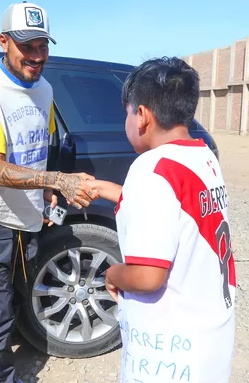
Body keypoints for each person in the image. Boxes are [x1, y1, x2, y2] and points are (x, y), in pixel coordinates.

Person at [0, 2, 98, 383]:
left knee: (16, 291)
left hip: (28, 212)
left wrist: (47, 192)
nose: (37, 56)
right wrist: (57, 181)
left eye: (42, 46)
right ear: (4, 42)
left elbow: (39, 143)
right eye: (27, 46)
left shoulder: (45, 89)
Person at [88, 57, 236, 382]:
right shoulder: (200, 156)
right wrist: (104, 188)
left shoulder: (150, 168)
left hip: (168, 355)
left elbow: (147, 276)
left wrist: (112, 274)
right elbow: (175, 209)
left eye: (126, 112)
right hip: (209, 340)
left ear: (141, 116)